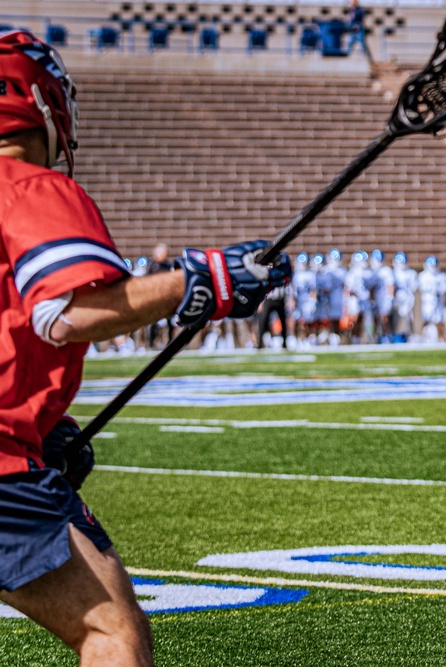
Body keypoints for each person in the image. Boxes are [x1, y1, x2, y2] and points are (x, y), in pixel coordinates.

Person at [0, 30, 292, 666]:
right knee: (113, 635)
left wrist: (41, 428)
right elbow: (67, 313)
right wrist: (203, 281)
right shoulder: (28, 186)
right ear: (39, 101)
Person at [418, 255, 446, 342]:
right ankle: (422, 337)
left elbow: (444, 289)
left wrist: (438, 290)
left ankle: (441, 339)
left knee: (439, 321)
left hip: (438, 301)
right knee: (425, 320)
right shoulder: (422, 276)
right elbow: (420, 288)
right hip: (427, 302)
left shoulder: (441, 276)